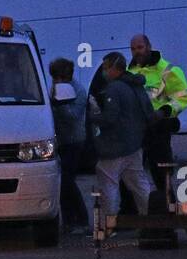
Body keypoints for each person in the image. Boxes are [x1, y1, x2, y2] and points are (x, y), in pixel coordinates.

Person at [94, 52, 156, 222]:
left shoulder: (114, 88)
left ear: (114, 68)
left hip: (115, 145)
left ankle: (108, 223)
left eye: (106, 67)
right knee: (139, 183)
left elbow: (110, 117)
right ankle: (151, 219)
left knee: (109, 183)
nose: (103, 71)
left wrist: (92, 116)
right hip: (134, 144)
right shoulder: (134, 85)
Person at [48, 57, 90, 234]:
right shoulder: (57, 87)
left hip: (73, 141)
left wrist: (59, 106)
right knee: (62, 183)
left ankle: (81, 220)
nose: (55, 81)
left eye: (58, 77)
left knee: (67, 181)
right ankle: (68, 220)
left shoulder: (78, 91)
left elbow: (73, 117)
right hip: (61, 140)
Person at [128, 34, 187, 118]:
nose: (136, 52)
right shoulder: (128, 72)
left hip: (157, 126)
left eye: (140, 47)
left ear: (149, 47)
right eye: (133, 49)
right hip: (133, 127)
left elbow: (183, 98)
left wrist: (164, 112)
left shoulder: (168, 71)